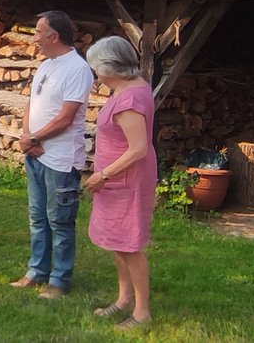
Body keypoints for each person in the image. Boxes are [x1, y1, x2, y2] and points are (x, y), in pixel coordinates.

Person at [10, 10, 93, 300]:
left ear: (54, 36)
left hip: (60, 159)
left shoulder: (77, 69)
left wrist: (33, 138)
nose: (34, 38)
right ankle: (37, 272)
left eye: (38, 33)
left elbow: (66, 118)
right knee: (37, 218)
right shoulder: (46, 66)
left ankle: (59, 281)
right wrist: (27, 138)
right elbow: (30, 106)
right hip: (35, 153)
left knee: (60, 220)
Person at [84, 36, 157, 330]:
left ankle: (141, 312)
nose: (96, 75)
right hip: (116, 179)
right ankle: (124, 298)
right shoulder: (130, 86)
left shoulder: (130, 98)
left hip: (126, 180)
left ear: (110, 67)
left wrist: (103, 174)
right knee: (118, 241)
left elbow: (138, 148)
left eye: (96, 69)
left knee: (130, 244)